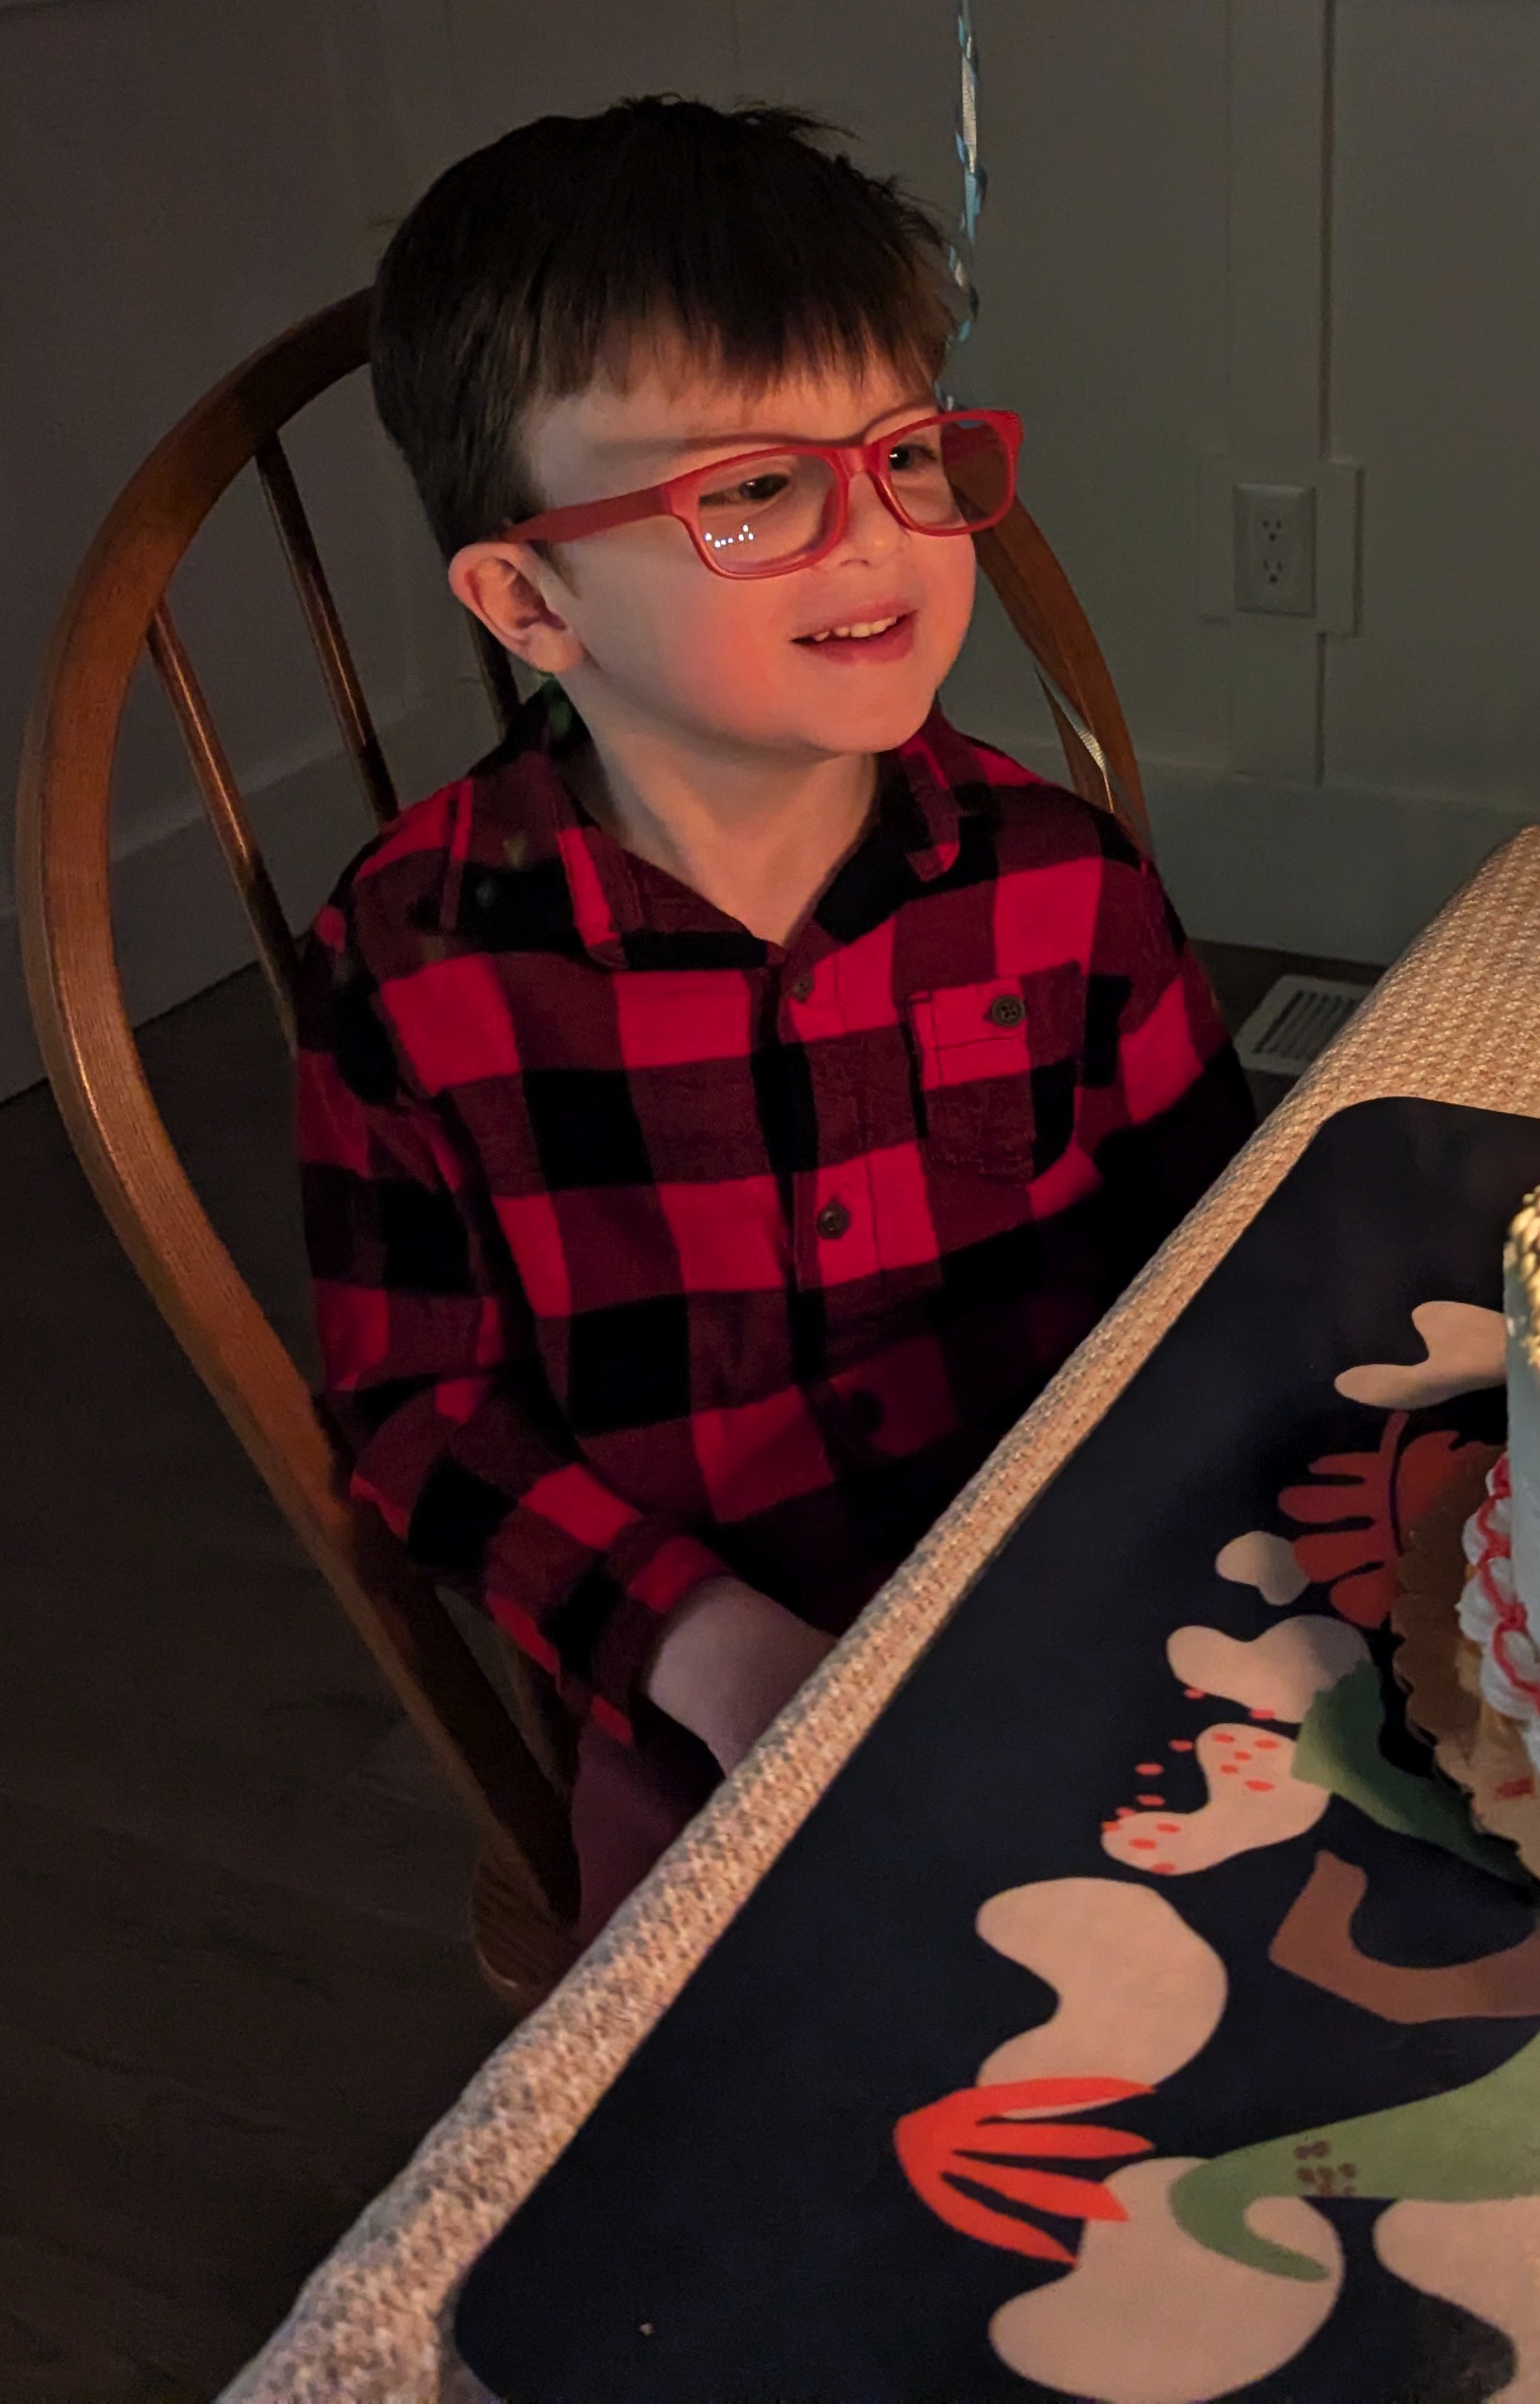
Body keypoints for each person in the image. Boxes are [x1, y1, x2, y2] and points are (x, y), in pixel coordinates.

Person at [298, 97, 1255, 1931]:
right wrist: (712, 1650)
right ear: (530, 599)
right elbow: (421, 1409)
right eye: (747, 491)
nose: (872, 536)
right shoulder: (420, 958)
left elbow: (1213, 1266)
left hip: (1078, 1600)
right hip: (701, 1684)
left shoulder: (1057, 881)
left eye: (902, 453)